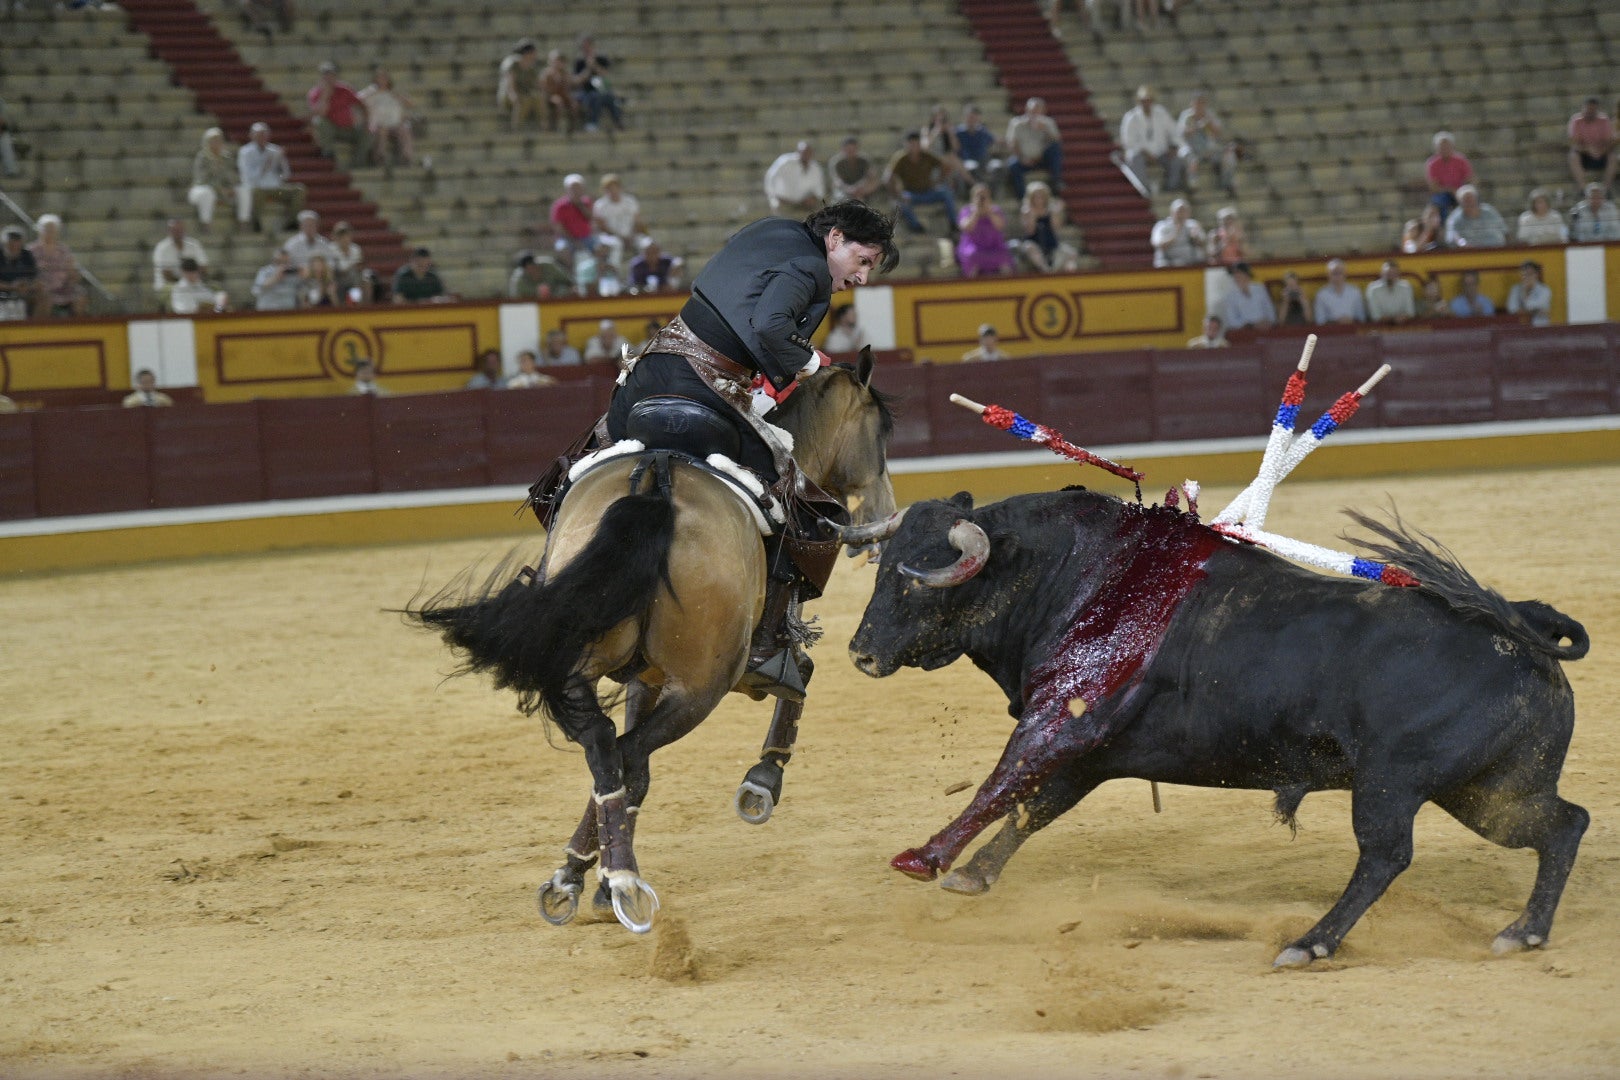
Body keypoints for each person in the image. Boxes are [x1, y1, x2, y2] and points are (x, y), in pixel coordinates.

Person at [601, 201, 897, 699]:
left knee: (593, 457)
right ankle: (768, 642)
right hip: (704, 391)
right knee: (790, 494)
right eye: (863, 260)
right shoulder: (810, 269)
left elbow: (737, 306)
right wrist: (810, 362)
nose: (863, 276)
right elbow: (767, 327)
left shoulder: (771, 231)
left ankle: (547, 569)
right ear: (834, 238)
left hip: (647, 375)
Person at [884, 131, 957, 237]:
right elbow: (888, 178)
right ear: (906, 144)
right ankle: (916, 226)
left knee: (946, 193)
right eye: (911, 144)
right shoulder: (900, 158)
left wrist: (938, 181)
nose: (914, 147)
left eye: (916, 144)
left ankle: (953, 223)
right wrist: (896, 194)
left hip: (929, 191)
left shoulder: (927, 155)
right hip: (911, 193)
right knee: (901, 202)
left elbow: (946, 167)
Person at [237, 121, 305, 231]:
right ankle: (256, 222)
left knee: (299, 189)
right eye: (259, 135)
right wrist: (265, 166)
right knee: (256, 193)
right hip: (258, 188)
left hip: (275, 187)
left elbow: (286, 175)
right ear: (252, 136)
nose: (262, 137)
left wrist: (281, 163)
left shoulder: (275, 150)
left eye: (264, 134)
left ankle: (292, 222)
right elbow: (247, 176)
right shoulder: (245, 152)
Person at [1119, 85, 1182, 194]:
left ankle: (1171, 189)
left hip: (1161, 152)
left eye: (1149, 100)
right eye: (1144, 101)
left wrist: (1173, 147)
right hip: (1141, 154)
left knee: (1175, 161)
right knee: (1134, 159)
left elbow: (1173, 131)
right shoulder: (1131, 117)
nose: (1146, 103)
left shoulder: (1161, 113)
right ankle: (1144, 190)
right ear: (1139, 102)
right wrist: (1143, 151)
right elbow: (1128, 141)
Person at [307, 61, 371, 168]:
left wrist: (366, 120)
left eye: (332, 75)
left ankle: (359, 162)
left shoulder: (345, 89)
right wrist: (325, 95)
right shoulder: (315, 92)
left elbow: (361, 105)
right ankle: (329, 153)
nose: (329, 78)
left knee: (369, 132)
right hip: (331, 130)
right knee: (319, 121)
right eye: (326, 75)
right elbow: (319, 113)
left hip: (349, 128)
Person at [1177, 90, 1237, 194]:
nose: (1199, 106)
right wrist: (1195, 126)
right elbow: (1181, 133)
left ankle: (1227, 183)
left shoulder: (1209, 115)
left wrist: (1208, 124)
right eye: (1197, 103)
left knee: (1229, 154)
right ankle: (1192, 185)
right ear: (1192, 104)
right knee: (1191, 159)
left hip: (1208, 149)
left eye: (1201, 103)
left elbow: (1218, 133)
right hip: (1191, 149)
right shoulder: (1186, 116)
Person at [1005, 96, 1064, 198]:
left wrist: (1045, 129)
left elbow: (1057, 141)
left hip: (1042, 159)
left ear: (1043, 111)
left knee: (1055, 149)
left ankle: (1056, 181)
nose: (1034, 114)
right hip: (1024, 159)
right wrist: (1022, 158)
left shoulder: (1048, 122)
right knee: (1012, 165)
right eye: (1032, 111)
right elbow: (1011, 143)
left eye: (1037, 111)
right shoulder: (1017, 123)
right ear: (1027, 110)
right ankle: (1022, 197)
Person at [28, 214, 86, 317]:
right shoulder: (31, 250)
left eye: (52, 229)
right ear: (39, 229)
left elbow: (71, 270)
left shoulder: (63, 250)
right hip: (40, 288)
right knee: (44, 298)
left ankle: (77, 328)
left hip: (63, 287)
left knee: (79, 295)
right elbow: (27, 272)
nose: (49, 232)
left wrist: (73, 278)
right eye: (46, 229)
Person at [360, 67, 416, 168]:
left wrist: (399, 97)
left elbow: (410, 104)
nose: (382, 80)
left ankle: (407, 157)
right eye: (380, 78)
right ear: (375, 79)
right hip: (378, 123)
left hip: (394, 122)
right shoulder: (370, 91)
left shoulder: (394, 92)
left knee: (405, 128)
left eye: (385, 78)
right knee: (383, 130)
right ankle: (380, 157)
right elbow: (359, 99)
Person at [955, 182, 1015, 277]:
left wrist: (989, 212)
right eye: (978, 195)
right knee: (972, 257)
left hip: (995, 246)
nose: (981, 198)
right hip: (973, 247)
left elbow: (1000, 226)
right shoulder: (966, 211)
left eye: (984, 196)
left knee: (1004, 259)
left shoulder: (995, 210)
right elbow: (966, 227)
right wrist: (976, 213)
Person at [1019, 180, 1079, 272]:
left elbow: (1056, 228)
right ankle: (1046, 271)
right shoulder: (1026, 211)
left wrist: (1056, 213)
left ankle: (1068, 279)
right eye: (1036, 197)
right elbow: (1030, 231)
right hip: (1034, 243)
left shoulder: (1051, 210)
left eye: (1041, 197)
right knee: (1030, 248)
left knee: (1072, 253)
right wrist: (1033, 216)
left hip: (1051, 243)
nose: (1039, 199)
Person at [187, 127, 238, 233]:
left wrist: (229, 187)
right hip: (202, 189)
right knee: (207, 193)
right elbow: (200, 179)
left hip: (222, 191)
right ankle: (205, 224)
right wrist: (212, 170)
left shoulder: (226, 158)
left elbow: (232, 177)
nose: (216, 143)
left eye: (219, 140)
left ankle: (244, 223)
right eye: (213, 141)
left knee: (243, 191)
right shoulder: (202, 157)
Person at [592, 173, 645, 273]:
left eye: (614, 188)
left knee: (645, 244)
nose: (612, 191)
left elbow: (638, 222)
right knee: (617, 244)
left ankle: (642, 272)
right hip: (609, 236)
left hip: (631, 235)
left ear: (620, 188)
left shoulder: (630, 202)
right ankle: (613, 271)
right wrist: (621, 237)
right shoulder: (600, 205)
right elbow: (602, 226)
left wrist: (632, 236)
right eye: (609, 189)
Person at [151, 218, 210, 307]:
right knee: (182, 292)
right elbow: (167, 275)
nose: (178, 233)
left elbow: (203, 267)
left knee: (214, 289)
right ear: (169, 231)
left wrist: (193, 280)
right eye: (175, 230)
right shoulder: (162, 248)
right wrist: (186, 282)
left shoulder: (194, 244)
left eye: (180, 230)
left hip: (194, 282)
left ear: (184, 230)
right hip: (168, 285)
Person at [572, 34, 624, 132]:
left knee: (610, 97)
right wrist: (588, 69)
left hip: (601, 88)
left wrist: (594, 66)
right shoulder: (579, 61)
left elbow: (605, 75)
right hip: (586, 91)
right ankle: (592, 123)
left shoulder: (601, 58)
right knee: (595, 97)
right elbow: (577, 80)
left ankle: (618, 122)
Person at [1567, 96, 1617, 192]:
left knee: (1613, 157)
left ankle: (1606, 189)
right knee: (1573, 156)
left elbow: (1610, 141)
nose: (1590, 112)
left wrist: (1601, 151)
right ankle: (1584, 189)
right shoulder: (1576, 121)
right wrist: (1588, 149)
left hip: (1602, 153)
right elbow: (1573, 143)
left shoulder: (1604, 120)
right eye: (1588, 109)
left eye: (1593, 110)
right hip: (1584, 154)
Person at [765, 140, 827, 216]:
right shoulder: (785, 162)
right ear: (798, 151)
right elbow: (770, 178)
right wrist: (774, 197)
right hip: (784, 203)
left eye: (809, 152)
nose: (806, 154)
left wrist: (814, 198)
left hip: (805, 205)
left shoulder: (815, 167)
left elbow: (819, 188)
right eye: (804, 152)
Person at [955, 104, 1004, 196]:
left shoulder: (983, 131)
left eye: (974, 117)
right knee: (972, 167)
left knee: (997, 166)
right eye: (970, 117)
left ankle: (992, 194)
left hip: (984, 162)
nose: (972, 120)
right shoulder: (958, 132)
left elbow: (995, 141)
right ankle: (972, 195)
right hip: (966, 163)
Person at [1425, 131, 1473, 219]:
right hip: (1443, 193)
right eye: (1441, 147)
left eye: (1447, 146)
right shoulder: (1432, 163)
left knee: (1471, 200)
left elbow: (1469, 180)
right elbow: (1434, 187)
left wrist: (1461, 191)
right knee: (1437, 205)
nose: (1444, 149)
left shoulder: (1461, 160)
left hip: (1461, 191)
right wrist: (1450, 190)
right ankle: (1443, 228)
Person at [498, 40, 543, 128]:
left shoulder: (531, 67)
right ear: (527, 53)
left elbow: (535, 85)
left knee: (539, 98)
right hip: (507, 95)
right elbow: (510, 85)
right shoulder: (512, 64)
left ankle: (544, 127)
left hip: (524, 94)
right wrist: (514, 97)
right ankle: (516, 128)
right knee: (523, 101)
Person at [0, 225, 41, 319]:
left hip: (23, 291)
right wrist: (12, 287)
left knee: (43, 295)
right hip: (4, 290)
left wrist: (28, 285)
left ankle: (36, 327)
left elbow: (35, 277)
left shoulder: (27, 255)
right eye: (10, 242)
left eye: (17, 241)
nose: (14, 245)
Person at [1220, 261, 1274, 332]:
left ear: (1247, 274)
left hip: (1266, 330)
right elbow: (1232, 321)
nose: (1236, 277)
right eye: (1234, 274)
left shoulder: (1260, 289)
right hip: (1245, 333)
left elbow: (1270, 311)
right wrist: (1252, 325)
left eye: (1239, 273)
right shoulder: (1230, 296)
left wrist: (1268, 322)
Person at [1150, 198, 1204, 267]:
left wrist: (1195, 237)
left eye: (1184, 211)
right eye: (1179, 211)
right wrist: (1175, 233)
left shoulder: (1193, 225)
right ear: (1172, 212)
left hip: (1190, 260)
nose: (1181, 214)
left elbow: (1203, 245)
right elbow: (1158, 245)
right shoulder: (1161, 226)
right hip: (1168, 261)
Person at [828, 136, 882, 204]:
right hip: (844, 191)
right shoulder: (836, 162)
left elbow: (874, 180)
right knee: (839, 199)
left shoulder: (865, 161)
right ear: (843, 149)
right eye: (848, 150)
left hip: (863, 191)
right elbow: (836, 182)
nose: (851, 152)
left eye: (853, 149)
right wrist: (849, 190)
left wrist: (863, 191)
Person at [1313, 258, 1366, 324]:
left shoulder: (1355, 291)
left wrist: (1350, 320)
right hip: (1331, 331)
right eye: (1334, 273)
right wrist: (1336, 322)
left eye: (1340, 273)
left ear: (1345, 274)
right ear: (1328, 275)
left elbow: (1361, 318)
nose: (1337, 276)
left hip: (1352, 329)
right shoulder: (1321, 294)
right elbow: (1320, 321)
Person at [1365, 259, 1415, 325]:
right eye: (1388, 274)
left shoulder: (1406, 287)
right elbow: (1375, 316)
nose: (1390, 276)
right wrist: (1393, 319)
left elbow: (1410, 312)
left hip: (1404, 326)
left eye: (1393, 273)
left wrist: (1403, 317)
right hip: (1380, 327)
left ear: (1398, 274)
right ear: (1381, 274)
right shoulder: (1373, 289)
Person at [509, 250, 575, 299]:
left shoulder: (550, 267)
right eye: (527, 267)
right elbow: (517, 299)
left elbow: (569, 282)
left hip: (557, 299)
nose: (531, 268)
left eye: (532, 264)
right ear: (524, 269)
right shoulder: (518, 280)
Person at [541, 49, 579, 133]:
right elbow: (544, 89)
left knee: (574, 104)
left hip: (562, 95)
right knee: (558, 102)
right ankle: (556, 127)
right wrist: (551, 96)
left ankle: (572, 128)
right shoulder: (547, 73)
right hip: (550, 96)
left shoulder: (564, 74)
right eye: (557, 60)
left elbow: (568, 86)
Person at [1507, 260, 1553, 327]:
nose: (1526, 277)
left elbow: (1531, 306)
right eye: (1524, 274)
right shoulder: (1515, 289)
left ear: (1536, 274)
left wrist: (1525, 291)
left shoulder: (1545, 290)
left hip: (1540, 327)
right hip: (1520, 327)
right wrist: (1535, 312)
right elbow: (1512, 309)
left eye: (1529, 274)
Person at [329, 221, 368, 299]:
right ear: (336, 237)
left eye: (346, 235)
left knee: (365, 281)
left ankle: (360, 307)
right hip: (337, 278)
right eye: (341, 235)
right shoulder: (330, 249)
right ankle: (341, 308)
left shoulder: (356, 249)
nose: (344, 238)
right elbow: (332, 269)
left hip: (353, 277)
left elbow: (359, 266)